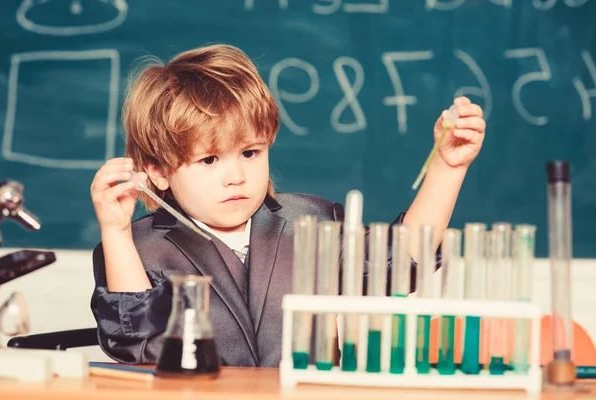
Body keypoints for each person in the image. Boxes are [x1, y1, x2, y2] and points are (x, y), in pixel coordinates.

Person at [90, 44, 486, 367]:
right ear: (157, 172)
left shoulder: (312, 221)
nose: (236, 176)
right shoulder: (134, 249)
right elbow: (134, 342)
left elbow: (400, 263)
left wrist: (446, 169)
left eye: (249, 152)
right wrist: (115, 230)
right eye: (209, 160)